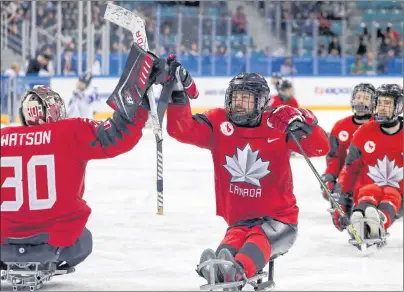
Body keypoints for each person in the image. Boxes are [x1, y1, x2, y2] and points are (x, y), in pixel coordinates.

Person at [163, 63, 330, 287]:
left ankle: (237, 270)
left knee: (257, 240)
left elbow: (321, 148)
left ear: (260, 101)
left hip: (278, 221)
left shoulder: (277, 126)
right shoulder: (219, 123)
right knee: (231, 243)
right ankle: (221, 269)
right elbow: (180, 129)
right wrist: (177, 94)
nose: (238, 103)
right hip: (240, 220)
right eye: (236, 97)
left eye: (246, 98)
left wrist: (304, 121)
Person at [0, 46, 164, 271]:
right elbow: (119, 134)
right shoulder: (70, 131)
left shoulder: (3, 136)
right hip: (55, 240)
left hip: (3, 244)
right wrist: (139, 88)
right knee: (84, 240)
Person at [331, 84, 403, 242]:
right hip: (368, 187)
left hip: (400, 194)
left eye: (388, 103)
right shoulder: (363, 132)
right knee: (367, 192)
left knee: (391, 194)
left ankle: (380, 220)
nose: (382, 108)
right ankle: (360, 218)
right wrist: (342, 201)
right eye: (380, 103)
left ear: (399, 107)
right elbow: (350, 170)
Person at [321, 83, 375, 201]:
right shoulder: (340, 126)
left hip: (372, 180)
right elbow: (334, 157)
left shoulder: (379, 127)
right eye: (358, 97)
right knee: (340, 216)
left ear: (373, 103)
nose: (361, 101)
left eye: (366, 98)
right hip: (346, 178)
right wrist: (330, 176)